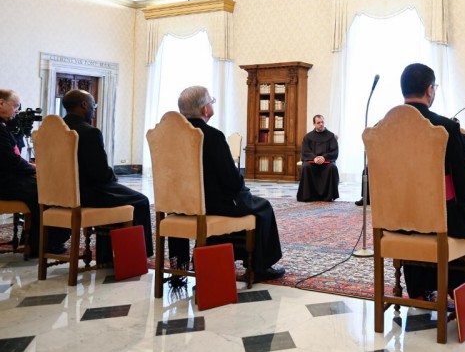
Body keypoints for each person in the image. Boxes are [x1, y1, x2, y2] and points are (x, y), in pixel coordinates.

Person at [398, 63, 465, 306]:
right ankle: (464, 289)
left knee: (419, 217)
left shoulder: (382, 128)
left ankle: (418, 289)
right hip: (441, 220)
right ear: (430, 90)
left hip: (398, 221)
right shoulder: (446, 128)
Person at [168, 86, 285, 281]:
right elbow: (231, 181)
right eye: (211, 101)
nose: (212, 105)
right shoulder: (212, 136)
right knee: (263, 207)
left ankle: (190, 264)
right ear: (205, 109)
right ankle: (260, 267)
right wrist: (241, 184)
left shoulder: (170, 137)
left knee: (242, 202)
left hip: (180, 205)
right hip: (213, 205)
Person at [62, 89, 153, 263]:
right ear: (84, 105)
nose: (94, 110)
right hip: (88, 194)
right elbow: (100, 174)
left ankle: (106, 255)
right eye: (93, 105)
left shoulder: (54, 130)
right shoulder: (89, 132)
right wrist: (114, 177)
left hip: (61, 194)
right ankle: (136, 257)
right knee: (140, 201)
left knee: (119, 196)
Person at [0, 89, 68, 256]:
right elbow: (10, 160)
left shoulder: (4, 125)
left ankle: (33, 240)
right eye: (15, 106)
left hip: (7, 177)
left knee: (42, 186)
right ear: (1, 103)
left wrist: (30, 166)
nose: (17, 111)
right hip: (4, 182)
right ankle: (46, 243)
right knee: (47, 191)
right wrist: (34, 169)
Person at [296, 115, 339, 202]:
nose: (321, 124)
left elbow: (334, 151)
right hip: (312, 161)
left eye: (322, 122)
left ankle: (328, 196)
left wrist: (324, 157)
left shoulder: (331, 136)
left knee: (332, 167)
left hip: (326, 162)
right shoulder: (308, 137)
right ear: (314, 124)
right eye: (318, 122)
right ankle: (308, 196)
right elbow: (305, 151)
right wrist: (314, 158)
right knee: (306, 167)